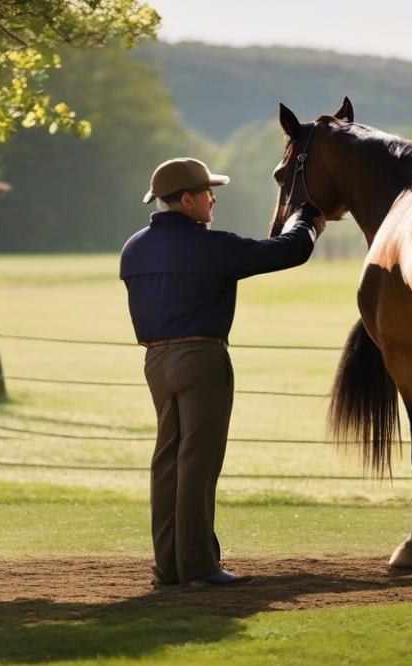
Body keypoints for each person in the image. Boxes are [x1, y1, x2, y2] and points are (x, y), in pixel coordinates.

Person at [120, 157, 325, 587]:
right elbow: (291, 251)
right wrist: (305, 214)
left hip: (155, 363)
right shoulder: (209, 245)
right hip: (202, 358)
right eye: (208, 192)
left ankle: (168, 566)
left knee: (168, 462)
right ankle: (198, 566)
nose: (214, 199)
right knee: (199, 460)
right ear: (189, 200)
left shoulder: (134, 246)